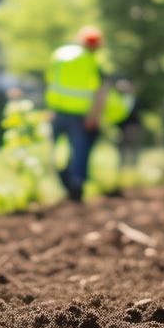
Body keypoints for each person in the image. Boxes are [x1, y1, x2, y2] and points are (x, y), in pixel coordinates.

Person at [45, 25, 109, 202]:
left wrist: (50, 108)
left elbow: (51, 82)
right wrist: (94, 116)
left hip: (58, 111)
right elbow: (100, 92)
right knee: (79, 151)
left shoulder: (59, 54)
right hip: (80, 115)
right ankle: (76, 184)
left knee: (54, 151)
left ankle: (63, 180)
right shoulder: (93, 61)